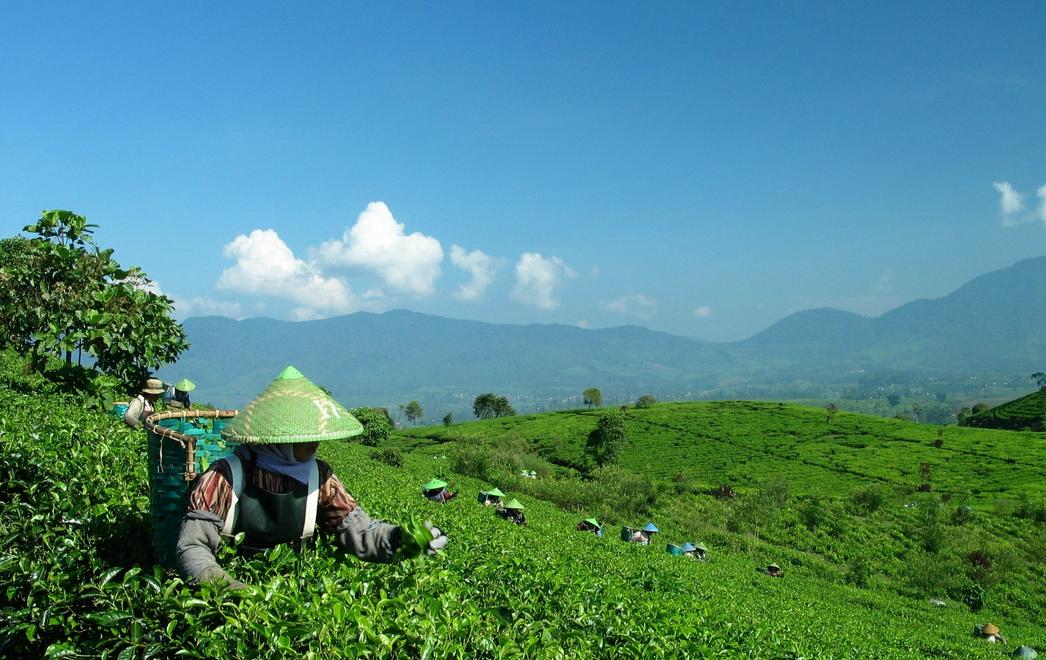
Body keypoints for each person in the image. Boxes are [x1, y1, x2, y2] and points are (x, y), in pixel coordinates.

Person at [175, 366, 448, 588]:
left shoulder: (321, 477)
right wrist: (233, 591)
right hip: (228, 600)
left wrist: (404, 539)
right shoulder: (224, 476)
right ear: (276, 438)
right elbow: (193, 547)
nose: (314, 442)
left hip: (292, 595)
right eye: (303, 435)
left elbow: (360, 532)